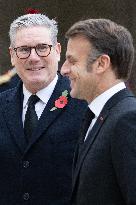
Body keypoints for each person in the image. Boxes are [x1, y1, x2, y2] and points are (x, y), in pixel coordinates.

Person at [0, 14, 87, 204]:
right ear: (12, 56)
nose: (33, 57)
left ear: (57, 51)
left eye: (42, 48)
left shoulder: (84, 102)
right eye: (23, 49)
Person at [61, 18, 136, 205]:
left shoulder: (127, 119)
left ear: (101, 63)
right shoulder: (95, 116)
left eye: (72, 61)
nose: (63, 70)